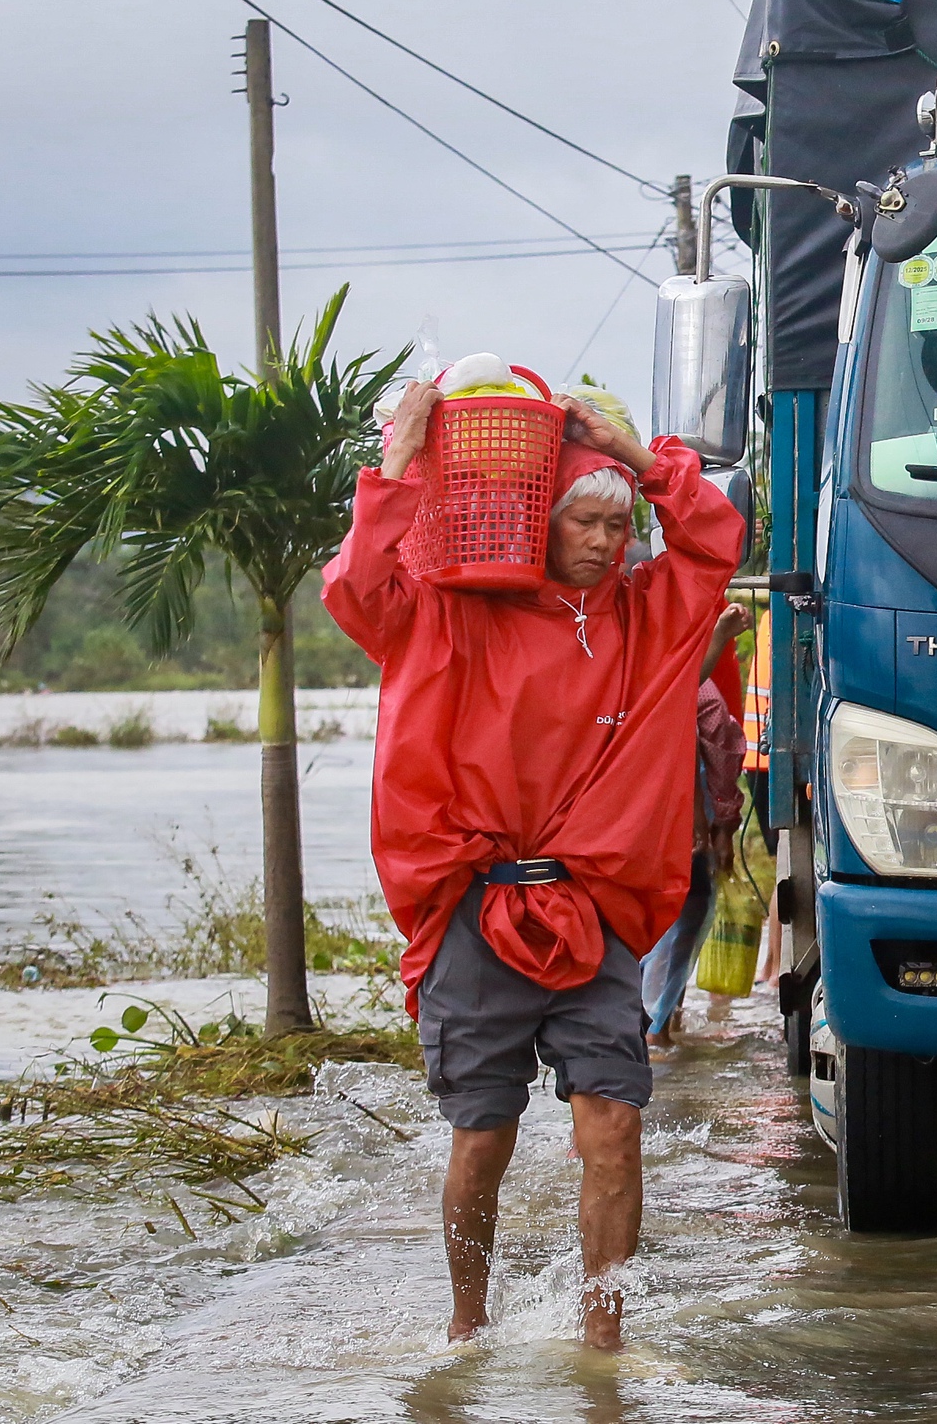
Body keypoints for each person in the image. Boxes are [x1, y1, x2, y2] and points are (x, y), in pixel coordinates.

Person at [322, 379, 742, 1349]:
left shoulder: (651, 616)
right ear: (536, 524)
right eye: (585, 519)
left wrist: (637, 456)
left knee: (615, 1123)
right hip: (477, 911)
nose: (604, 539)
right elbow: (353, 589)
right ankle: (467, 1328)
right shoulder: (452, 612)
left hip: (592, 916)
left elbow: (714, 539)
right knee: (482, 1137)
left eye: (618, 522)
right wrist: (399, 463)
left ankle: (605, 1345)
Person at [641, 605, 751, 1047]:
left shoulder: (611, 672)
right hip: (680, 827)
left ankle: (652, 1026)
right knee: (683, 918)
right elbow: (720, 751)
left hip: (626, 828)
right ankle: (656, 1030)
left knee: (638, 924)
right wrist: (720, 826)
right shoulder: (695, 688)